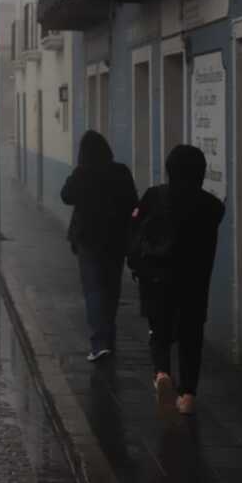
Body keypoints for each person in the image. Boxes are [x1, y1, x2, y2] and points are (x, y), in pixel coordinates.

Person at [129, 144, 224, 416]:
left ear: (169, 169)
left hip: (157, 279)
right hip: (194, 282)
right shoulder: (212, 206)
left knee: (159, 331)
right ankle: (188, 396)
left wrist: (136, 263)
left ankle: (161, 374)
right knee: (190, 336)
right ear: (201, 171)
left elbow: (135, 229)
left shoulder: (153, 196)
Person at [60, 130, 138, 362]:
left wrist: (78, 175)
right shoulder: (121, 171)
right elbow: (133, 203)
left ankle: (99, 343)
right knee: (111, 290)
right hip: (115, 241)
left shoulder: (82, 173)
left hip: (88, 240)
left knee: (93, 290)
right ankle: (109, 337)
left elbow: (66, 196)